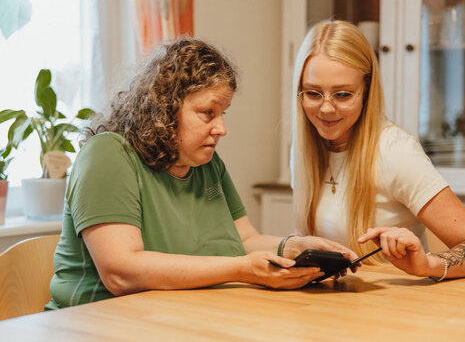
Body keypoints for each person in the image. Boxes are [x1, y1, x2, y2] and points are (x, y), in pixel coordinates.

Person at [45, 37, 358, 309]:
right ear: (164, 107)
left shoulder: (205, 163)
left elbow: (243, 239)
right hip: (96, 322)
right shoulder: (108, 155)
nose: (221, 129)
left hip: (173, 315)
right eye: (208, 113)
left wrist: (292, 247)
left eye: (223, 114)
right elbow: (121, 272)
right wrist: (240, 270)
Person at [290, 20, 465, 281]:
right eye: (313, 93)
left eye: (343, 94)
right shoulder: (303, 151)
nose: (326, 109)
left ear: (366, 90)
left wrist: (426, 264)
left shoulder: (394, 151)